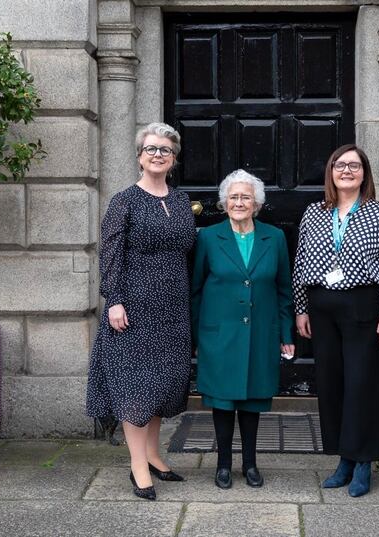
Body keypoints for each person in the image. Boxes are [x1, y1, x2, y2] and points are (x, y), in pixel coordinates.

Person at [86, 122, 195, 501]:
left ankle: (153, 454)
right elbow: (111, 254)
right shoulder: (124, 201)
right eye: (151, 149)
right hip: (133, 306)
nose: (158, 155)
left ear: (174, 158)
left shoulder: (181, 201)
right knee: (136, 386)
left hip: (173, 306)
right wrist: (113, 299)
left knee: (162, 383)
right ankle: (137, 467)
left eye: (165, 150)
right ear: (139, 156)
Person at [292, 144, 379, 497]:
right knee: (333, 384)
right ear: (330, 172)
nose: (346, 171)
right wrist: (301, 307)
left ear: (364, 173)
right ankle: (343, 458)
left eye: (354, 166)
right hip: (322, 307)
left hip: (363, 307)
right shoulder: (313, 212)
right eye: (340, 165)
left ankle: (364, 462)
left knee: (363, 384)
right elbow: (301, 261)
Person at [191, 169, 295, 490]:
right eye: (234, 197)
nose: (239, 202)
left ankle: (250, 463)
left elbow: (284, 290)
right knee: (222, 401)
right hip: (219, 334)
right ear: (224, 202)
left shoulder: (274, 237)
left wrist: (286, 335)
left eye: (245, 197)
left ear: (257, 203)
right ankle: (223, 465)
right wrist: (195, 337)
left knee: (252, 400)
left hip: (261, 332)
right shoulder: (207, 237)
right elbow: (195, 290)